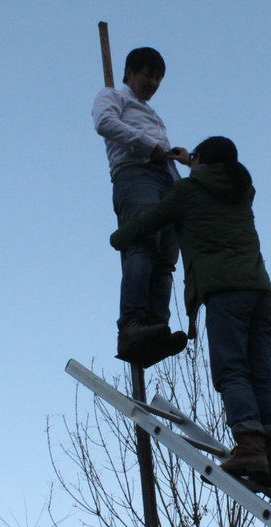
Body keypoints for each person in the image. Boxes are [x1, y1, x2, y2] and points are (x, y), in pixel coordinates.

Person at [109, 136, 271, 486]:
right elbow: (213, 178)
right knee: (263, 373)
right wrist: (191, 161)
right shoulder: (242, 191)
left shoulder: (189, 192)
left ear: (200, 160)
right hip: (260, 290)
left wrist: (118, 239)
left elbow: (150, 221)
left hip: (224, 291)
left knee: (232, 370)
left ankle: (250, 445)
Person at [92, 47, 190, 359]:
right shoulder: (113, 97)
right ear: (130, 73)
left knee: (165, 258)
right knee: (143, 245)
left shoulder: (155, 116)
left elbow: (156, 147)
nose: (152, 82)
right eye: (147, 74)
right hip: (136, 175)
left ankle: (157, 326)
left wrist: (172, 156)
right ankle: (133, 323)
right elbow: (104, 124)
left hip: (166, 181)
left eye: (158, 78)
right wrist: (150, 146)